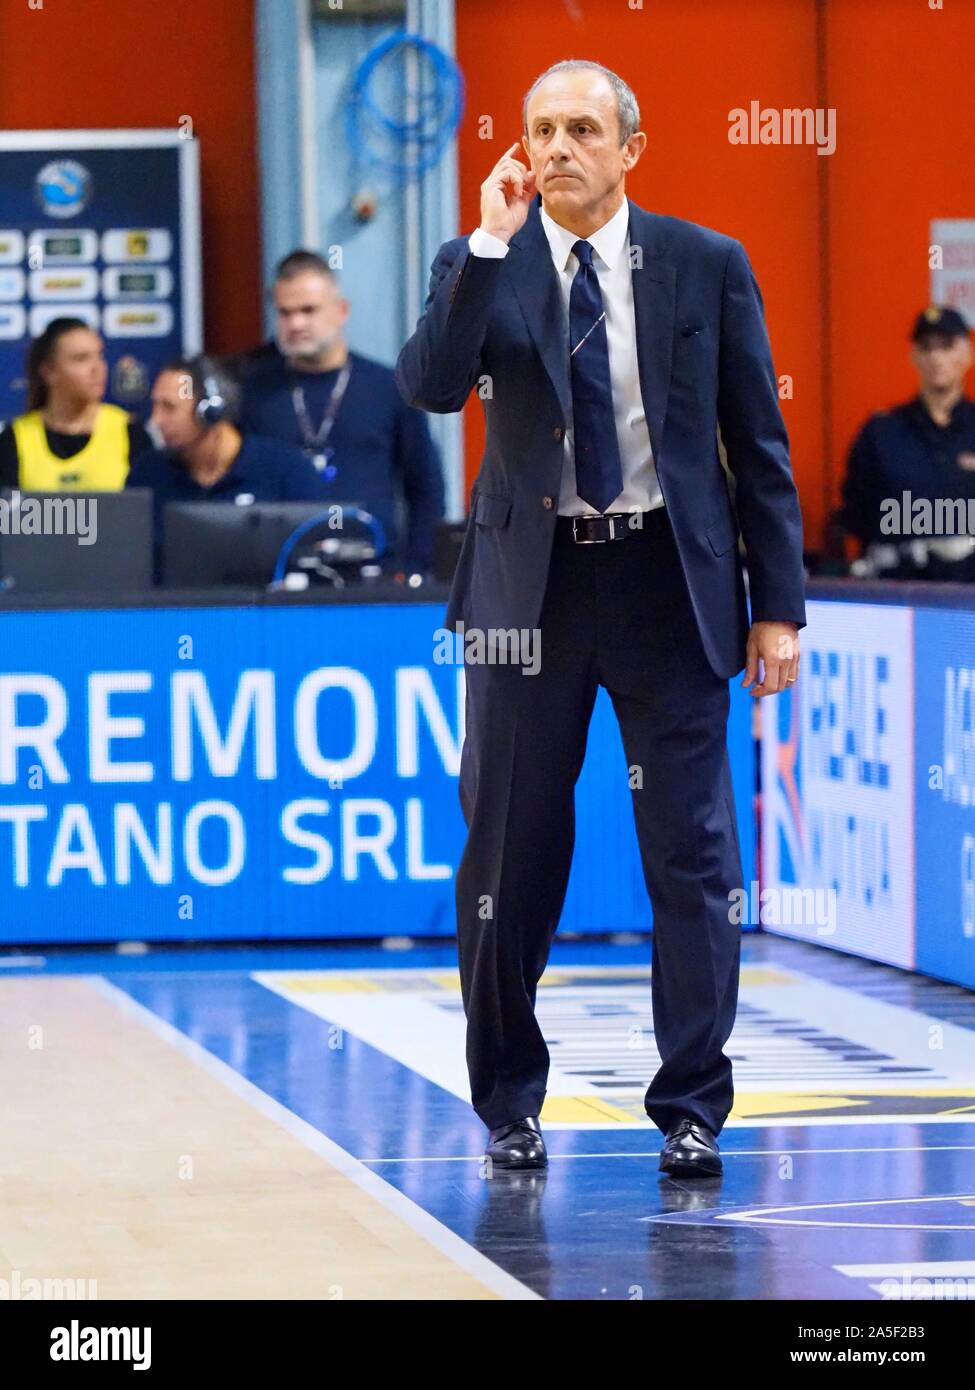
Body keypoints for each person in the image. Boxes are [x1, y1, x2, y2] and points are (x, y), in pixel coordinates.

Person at [396, 60, 806, 1179]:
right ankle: (510, 1102)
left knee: (691, 850)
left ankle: (690, 1103)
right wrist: (483, 246)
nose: (558, 147)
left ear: (632, 144)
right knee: (512, 847)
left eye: (582, 127)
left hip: (667, 583)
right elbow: (432, 385)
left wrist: (780, 610)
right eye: (541, 129)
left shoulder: (704, 264)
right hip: (529, 592)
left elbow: (755, 449)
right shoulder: (479, 261)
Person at [238, 249, 444, 576]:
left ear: (341, 310)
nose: (296, 323)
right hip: (280, 573)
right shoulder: (255, 392)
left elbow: (425, 486)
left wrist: (416, 568)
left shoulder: (389, 387)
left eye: (308, 310)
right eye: (285, 313)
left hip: (376, 571)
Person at [125, 355, 331, 574]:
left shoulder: (287, 470)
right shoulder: (148, 473)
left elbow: (319, 550)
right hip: (172, 607)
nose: (156, 420)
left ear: (211, 412)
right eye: (155, 405)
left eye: (169, 407)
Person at [841, 305, 975, 579]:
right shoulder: (882, 433)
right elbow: (855, 510)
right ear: (914, 355)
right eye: (926, 347)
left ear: (967, 354)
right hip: (898, 590)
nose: (936, 357)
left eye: (946, 346)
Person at [0, 317, 150, 491]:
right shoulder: (14, 440)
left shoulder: (130, 432)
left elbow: (146, 512)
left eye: (100, 356)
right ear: (49, 371)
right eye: (81, 359)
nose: (97, 368)